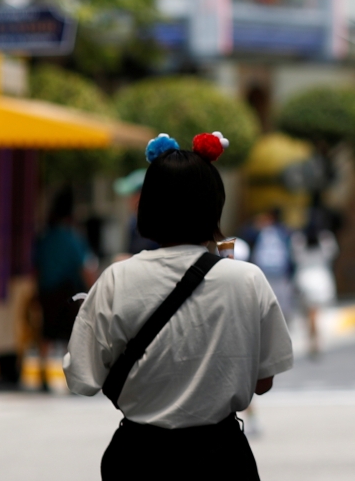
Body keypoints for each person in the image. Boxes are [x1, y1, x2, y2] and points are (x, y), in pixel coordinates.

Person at [64, 132, 293, 480]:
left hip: (139, 458)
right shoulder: (247, 280)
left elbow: (82, 378)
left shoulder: (116, 279)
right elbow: (263, 382)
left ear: (148, 207)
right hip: (221, 459)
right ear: (215, 204)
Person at [33, 188, 95, 387]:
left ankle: (43, 375)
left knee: (47, 332)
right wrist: (94, 292)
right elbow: (85, 267)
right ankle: (71, 377)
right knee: (71, 334)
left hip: (46, 291)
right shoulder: (72, 237)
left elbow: (36, 266)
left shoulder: (44, 237)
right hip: (67, 292)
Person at [291, 205, 339, 357]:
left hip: (303, 277)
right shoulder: (326, 238)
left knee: (308, 312)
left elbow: (294, 258)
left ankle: (312, 340)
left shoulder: (298, 238)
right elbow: (333, 255)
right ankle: (315, 340)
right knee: (317, 312)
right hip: (321, 278)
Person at [246, 208, 296, 316]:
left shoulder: (262, 230)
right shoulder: (285, 231)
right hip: (280, 272)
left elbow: (246, 236)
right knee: (281, 303)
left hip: (264, 271)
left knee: (265, 301)